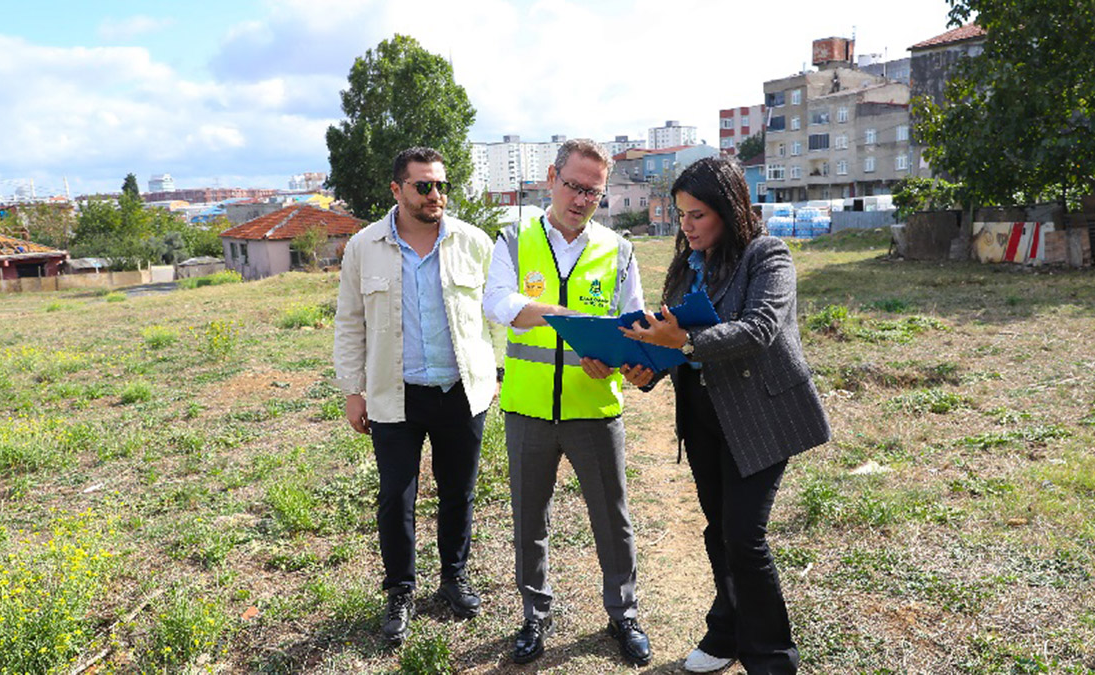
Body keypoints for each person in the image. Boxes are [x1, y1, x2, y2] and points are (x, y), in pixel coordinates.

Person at [619, 156, 831, 674]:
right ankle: (727, 632)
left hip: (760, 416)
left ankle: (772, 658)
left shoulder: (767, 255)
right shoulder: (687, 264)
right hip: (702, 415)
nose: (686, 226)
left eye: (698, 215)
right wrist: (648, 369)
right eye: (681, 214)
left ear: (729, 209)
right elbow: (673, 339)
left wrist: (685, 342)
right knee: (719, 531)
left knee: (743, 537)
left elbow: (760, 329)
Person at [482, 138, 652, 666]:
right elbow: (497, 302)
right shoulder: (515, 238)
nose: (581, 200)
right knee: (529, 520)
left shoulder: (617, 249)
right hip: (529, 409)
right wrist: (559, 315)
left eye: (593, 192)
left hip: (594, 411)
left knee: (612, 520)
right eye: (574, 186)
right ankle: (534, 615)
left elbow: (634, 323)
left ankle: (623, 613)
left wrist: (618, 359)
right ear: (552, 179)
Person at [333, 146, 496, 646]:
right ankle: (400, 590)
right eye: (424, 186)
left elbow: (498, 312)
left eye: (441, 185)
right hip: (394, 394)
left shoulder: (473, 242)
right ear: (397, 189)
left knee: (459, 492)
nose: (435, 195)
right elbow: (349, 321)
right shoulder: (364, 246)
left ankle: (453, 579)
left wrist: (498, 371)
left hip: (460, 391)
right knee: (395, 497)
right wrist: (353, 391)